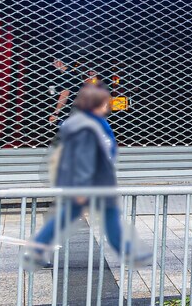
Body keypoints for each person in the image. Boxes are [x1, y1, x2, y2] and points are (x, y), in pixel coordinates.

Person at [32, 84, 146, 266]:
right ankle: (37, 252)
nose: (107, 105)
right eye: (104, 102)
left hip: (98, 180)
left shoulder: (97, 122)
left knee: (108, 216)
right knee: (67, 217)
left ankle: (128, 253)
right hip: (84, 182)